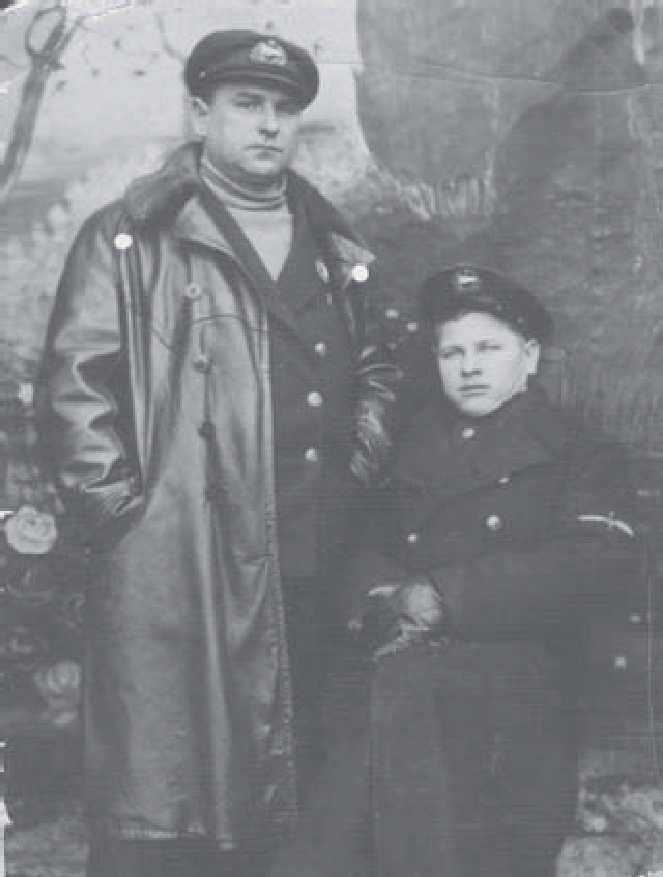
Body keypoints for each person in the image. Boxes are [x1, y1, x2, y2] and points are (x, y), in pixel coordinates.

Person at [36, 29, 401, 877]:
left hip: (311, 547)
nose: (269, 124)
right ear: (200, 114)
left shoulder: (334, 245)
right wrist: (123, 518)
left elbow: (378, 367)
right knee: (170, 790)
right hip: (180, 557)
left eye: (284, 109)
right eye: (247, 104)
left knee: (289, 775)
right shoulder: (128, 236)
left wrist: (358, 463)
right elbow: (73, 391)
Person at [266, 263, 636, 877]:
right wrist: (383, 596)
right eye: (452, 352)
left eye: (489, 348)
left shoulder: (580, 450)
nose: (469, 367)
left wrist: (445, 595)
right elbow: (356, 539)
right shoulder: (408, 443)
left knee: (399, 701)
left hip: (520, 676)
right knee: (373, 694)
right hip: (400, 657)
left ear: (530, 356)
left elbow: (594, 564)